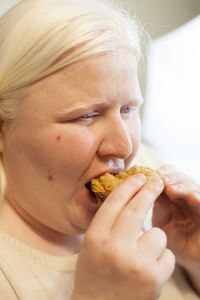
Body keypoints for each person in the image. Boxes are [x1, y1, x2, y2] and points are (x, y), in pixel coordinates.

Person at [0, 0, 199, 299]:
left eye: (129, 109)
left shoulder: (148, 161)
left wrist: (194, 262)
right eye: (85, 115)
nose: (125, 146)